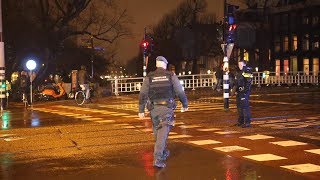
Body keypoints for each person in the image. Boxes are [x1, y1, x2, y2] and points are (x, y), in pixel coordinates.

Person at [138, 56, 188, 168]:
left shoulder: (149, 77)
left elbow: (143, 94)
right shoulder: (170, 76)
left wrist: (141, 110)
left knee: (157, 131)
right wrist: (185, 104)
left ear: (156, 65)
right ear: (165, 65)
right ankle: (158, 158)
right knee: (162, 134)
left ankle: (163, 152)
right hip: (166, 108)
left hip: (154, 110)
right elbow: (180, 91)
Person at [234, 59, 253, 128]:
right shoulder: (239, 72)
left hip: (244, 92)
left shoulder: (247, 71)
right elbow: (237, 82)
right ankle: (241, 121)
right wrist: (236, 90)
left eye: (241, 64)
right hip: (239, 92)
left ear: (244, 64)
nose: (239, 66)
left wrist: (245, 91)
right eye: (239, 64)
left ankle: (247, 122)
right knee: (239, 107)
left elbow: (248, 82)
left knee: (245, 107)